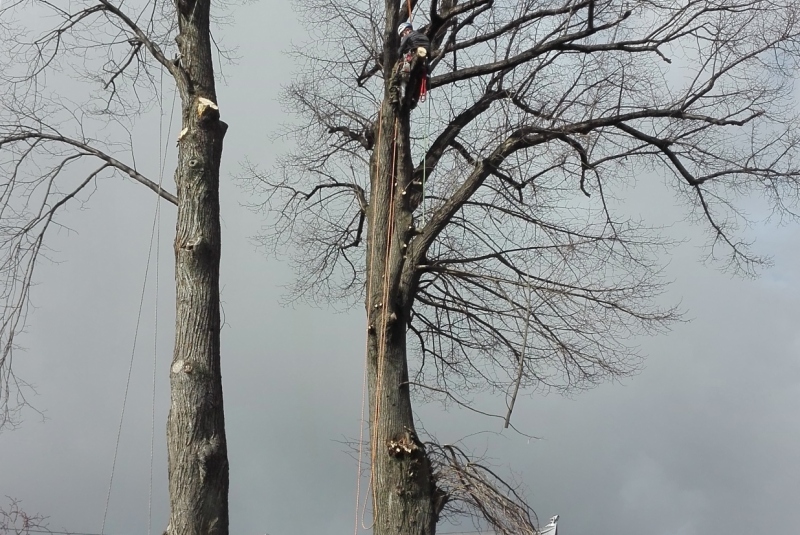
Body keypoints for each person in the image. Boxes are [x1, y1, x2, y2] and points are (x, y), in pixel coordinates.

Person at [391, 22, 431, 108]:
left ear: (407, 30)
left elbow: (401, 49)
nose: (403, 36)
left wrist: (398, 57)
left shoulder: (408, 36)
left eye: (403, 33)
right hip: (425, 62)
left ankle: (396, 96)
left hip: (414, 58)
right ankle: (414, 100)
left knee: (398, 74)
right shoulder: (424, 37)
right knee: (419, 81)